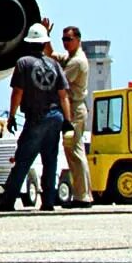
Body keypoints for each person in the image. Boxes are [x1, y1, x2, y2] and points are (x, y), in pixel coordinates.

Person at [0, 24, 69, 212]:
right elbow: (63, 95)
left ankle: (8, 201)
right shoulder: (55, 64)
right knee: (50, 160)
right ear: (44, 43)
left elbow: (17, 92)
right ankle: (49, 202)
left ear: (28, 43)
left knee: (23, 160)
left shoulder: (23, 63)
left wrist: (11, 116)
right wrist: (67, 121)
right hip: (56, 117)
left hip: (37, 118)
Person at [59, 25, 93, 208]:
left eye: (68, 39)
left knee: (75, 153)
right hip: (76, 107)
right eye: (63, 39)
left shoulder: (76, 62)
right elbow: (54, 56)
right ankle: (85, 194)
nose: (65, 43)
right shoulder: (72, 58)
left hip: (74, 108)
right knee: (76, 152)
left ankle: (82, 197)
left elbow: (60, 82)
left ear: (78, 40)